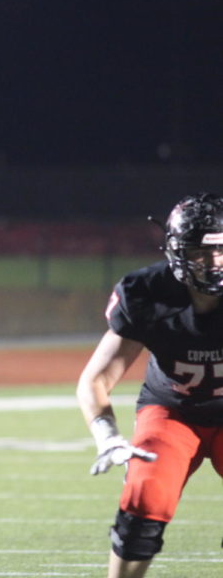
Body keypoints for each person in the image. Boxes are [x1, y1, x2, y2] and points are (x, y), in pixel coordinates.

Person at [76, 192, 223, 578]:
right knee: (145, 493)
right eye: (199, 252)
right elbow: (96, 378)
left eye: (221, 250)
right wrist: (107, 436)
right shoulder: (147, 292)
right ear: (176, 252)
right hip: (173, 411)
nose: (212, 262)